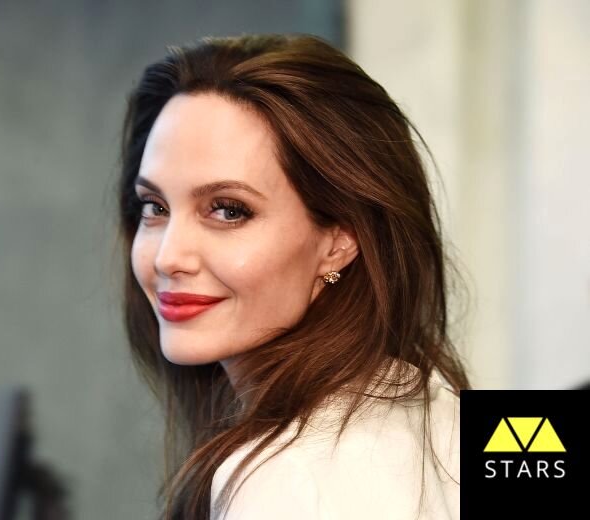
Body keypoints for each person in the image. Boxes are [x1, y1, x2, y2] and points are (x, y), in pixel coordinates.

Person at [115, 33, 470, 520]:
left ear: (338, 242)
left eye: (228, 210)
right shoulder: (449, 415)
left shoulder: (287, 480)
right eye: (154, 207)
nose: (167, 256)